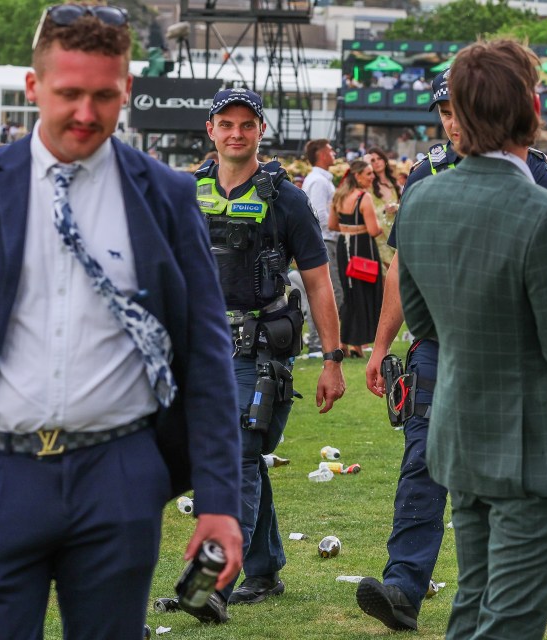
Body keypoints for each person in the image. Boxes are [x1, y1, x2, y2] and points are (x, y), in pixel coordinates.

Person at [0, 5, 243, 637]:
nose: (86, 113)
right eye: (69, 93)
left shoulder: (165, 196)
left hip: (118, 474)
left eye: (104, 95)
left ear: (127, 91)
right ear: (34, 87)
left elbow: (208, 357)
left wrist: (219, 503)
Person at [395, 39, 547, 640]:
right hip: (537, 448)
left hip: (464, 432)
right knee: (508, 620)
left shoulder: (421, 197)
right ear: (529, 110)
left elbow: (423, 323)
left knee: (473, 604)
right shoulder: (542, 211)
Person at [356, 64, 547, 633]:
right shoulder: (425, 171)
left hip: (507, 354)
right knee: (423, 461)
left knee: (499, 479)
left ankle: (496, 598)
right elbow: (401, 266)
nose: (452, 122)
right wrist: (380, 346)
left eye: (459, 110)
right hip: (434, 347)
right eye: (444, 112)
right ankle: (402, 586)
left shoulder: (537, 177)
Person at [186, 88, 346, 622]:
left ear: (260, 131)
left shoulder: (287, 199)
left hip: (258, 349)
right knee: (243, 457)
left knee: (236, 459)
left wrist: (332, 359)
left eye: (246, 124)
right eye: (226, 123)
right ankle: (265, 566)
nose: (236, 133)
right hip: (199, 349)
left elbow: (320, 283)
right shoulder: (188, 193)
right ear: (210, 129)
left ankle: (211, 584)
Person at [329, 159, 384, 358]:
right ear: (358, 175)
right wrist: (384, 222)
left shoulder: (338, 196)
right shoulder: (363, 197)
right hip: (363, 249)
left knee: (350, 294)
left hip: (345, 248)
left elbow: (332, 225)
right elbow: (374, 230)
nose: (372, 177)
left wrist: (348, 229)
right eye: (369, 173)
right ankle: (357, 344)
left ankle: (345, 341)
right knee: (367, 294)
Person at [301, 138, 342, 356]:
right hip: (324, 240)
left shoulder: (322, 179)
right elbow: (319, 215)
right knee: (329, 292)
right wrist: (340, 227)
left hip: (328, 238)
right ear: (321, 154)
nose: (334, 152)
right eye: (330, 149)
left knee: (333, 292)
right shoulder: (318, 181)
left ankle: (321, 343)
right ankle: (317, 345)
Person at [367, 145, 401, 271]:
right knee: (385, 274)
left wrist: (396, 207)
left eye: (379, 159)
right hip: (379, 236)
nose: (376, 163)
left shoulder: (394, 183)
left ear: (384, 160)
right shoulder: (368, 184)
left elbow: (404, 204)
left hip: (395, 232)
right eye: (372, 160)